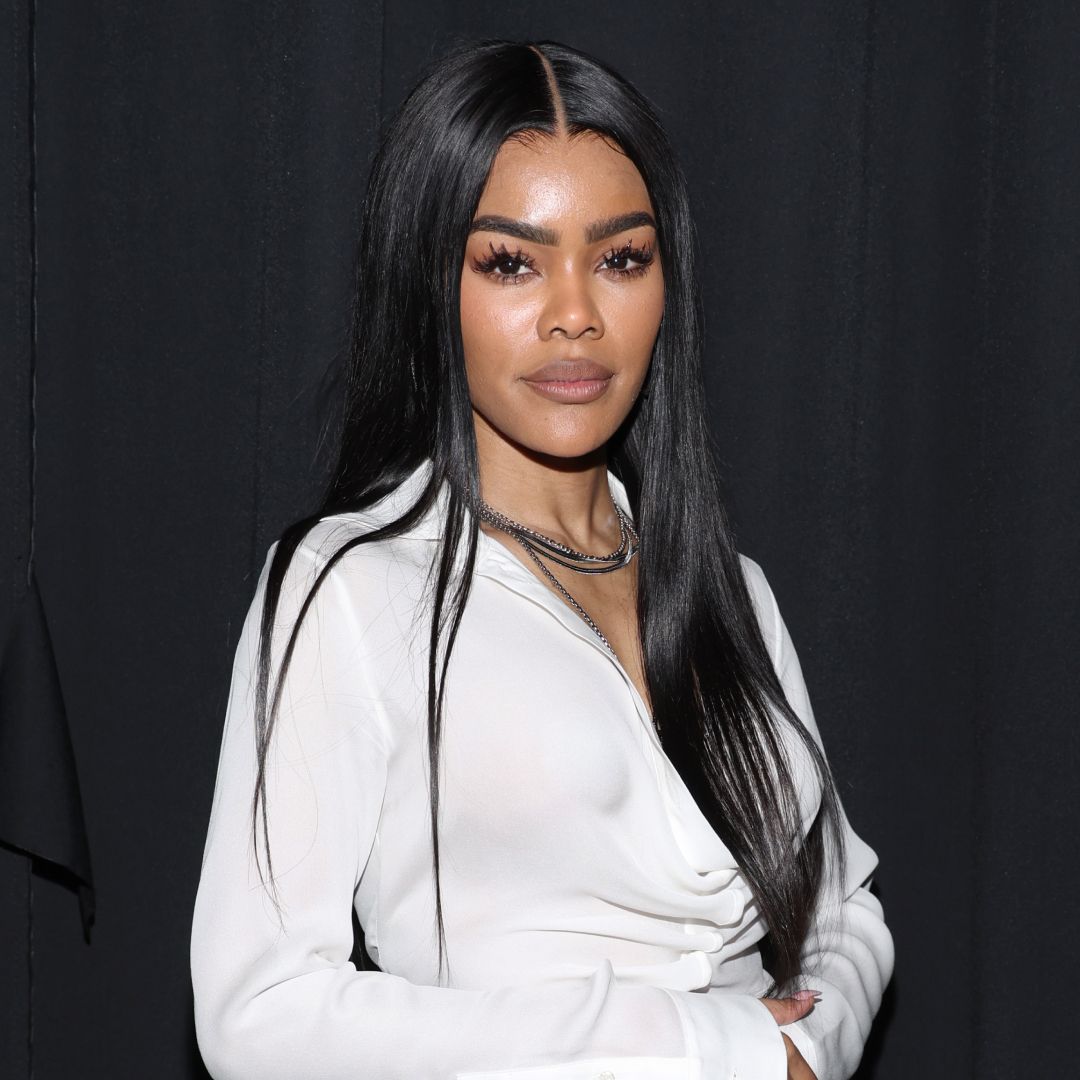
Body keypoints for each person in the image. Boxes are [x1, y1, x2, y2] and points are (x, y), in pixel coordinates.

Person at [189, 38, 893, 1080]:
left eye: (621, 258)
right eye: (512, 261)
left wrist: (808, 1047)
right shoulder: (352, 588)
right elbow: (259, 1013)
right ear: (432, 284)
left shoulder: (729, 592)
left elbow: (844, 905)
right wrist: (692, 1044)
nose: (576, 312)